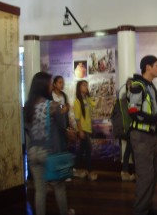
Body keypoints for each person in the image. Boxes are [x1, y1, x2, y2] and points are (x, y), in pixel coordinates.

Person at [24, 72, 75, 215]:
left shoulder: (28, 106)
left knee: (40, 190)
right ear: (43, 86)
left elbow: (27, 129)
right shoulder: (52, 105)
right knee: (59, 186)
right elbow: (63, 125)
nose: (51, 86)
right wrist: (64, 111)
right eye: (50, 83)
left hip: (33, 152)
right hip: (49, 152)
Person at [128, 55, 157, 215]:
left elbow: (147, 109)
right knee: (145, 175)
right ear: (148, 67)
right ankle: (140, 211)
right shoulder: (138, 85)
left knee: (153, 174)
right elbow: (133, 112)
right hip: (141, 136)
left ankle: (146, 207)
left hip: (151, 135)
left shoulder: (151, 86)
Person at [73, 80, 98, 181]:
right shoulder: (77, 101)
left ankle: (75, 169)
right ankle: (89, 171)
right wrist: (80, 131)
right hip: (82, 129)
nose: (86, 87)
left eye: (86, 85)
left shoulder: (87, 99)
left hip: (88, 128)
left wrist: (90, 95)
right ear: (79, 87)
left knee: (82, 150)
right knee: (88, 149)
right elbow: (77, 118)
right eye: (84, 85)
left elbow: (95, 104)